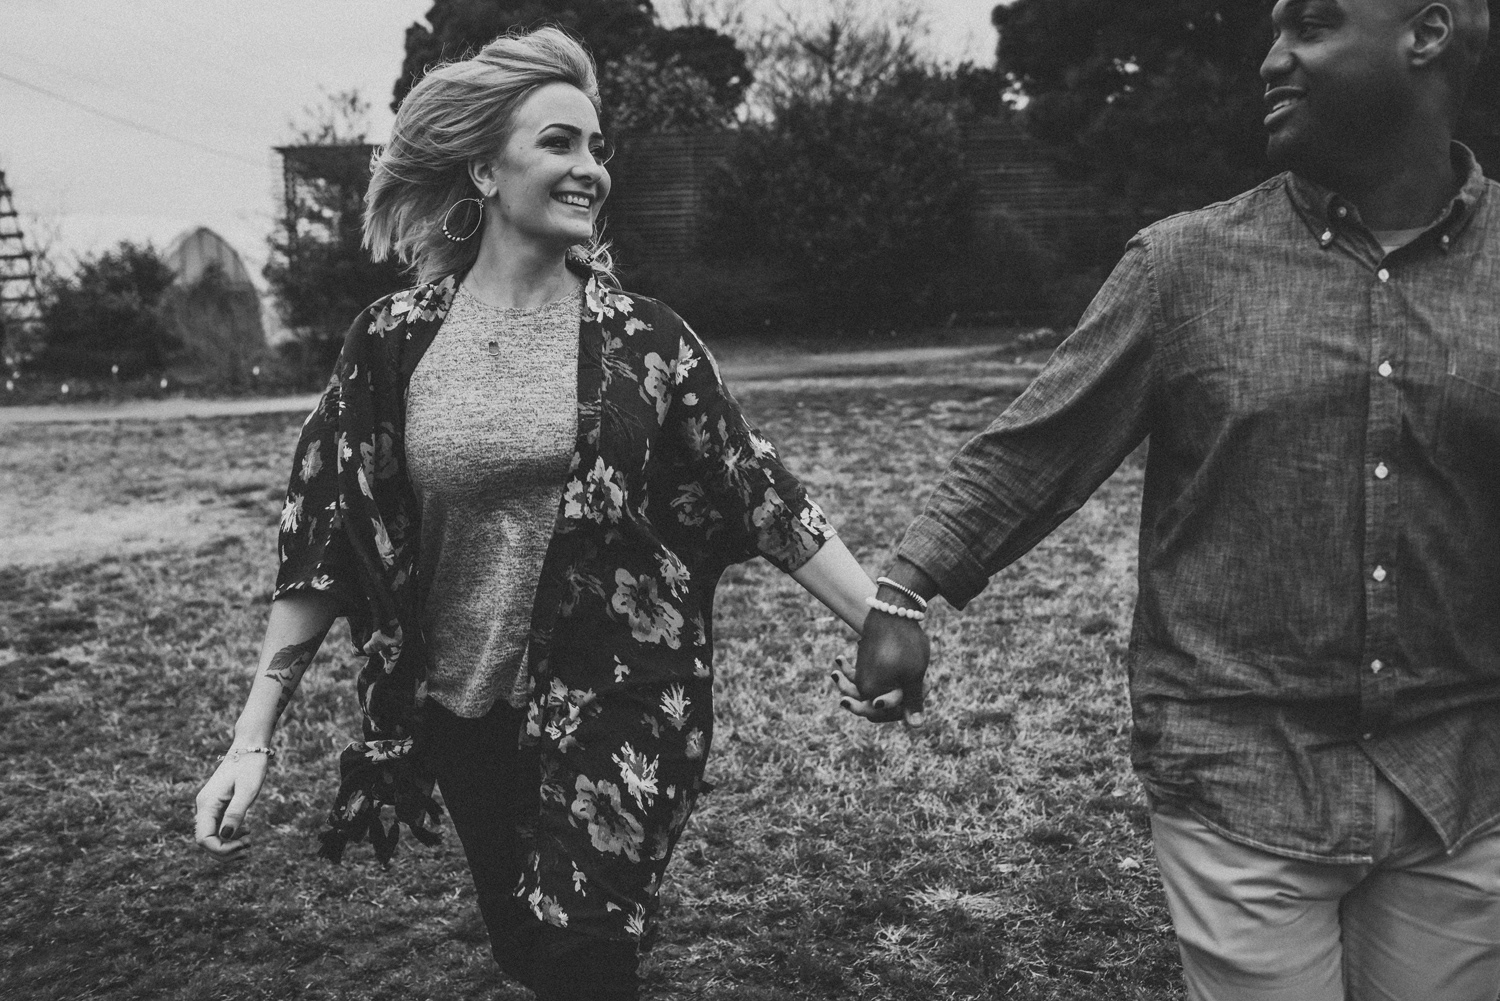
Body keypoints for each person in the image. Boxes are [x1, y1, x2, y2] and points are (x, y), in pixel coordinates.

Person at [193, 26, 877, 1001]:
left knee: (587, 955)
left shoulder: (645, 342)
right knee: (528, 947)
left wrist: (882, 618)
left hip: (621, 699)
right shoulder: (391, 343)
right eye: (559, 142)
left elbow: (759, 490)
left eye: (597, 146)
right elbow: (323, 541)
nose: (589, 167)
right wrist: (252, 737)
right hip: (465, 709)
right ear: (483, 169)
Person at [838, 1, 1500, 998]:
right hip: (1240, 782)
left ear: (1428, 33)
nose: (1272, 59)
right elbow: (1038, 448)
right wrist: (901, 593)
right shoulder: (1185, 265)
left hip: (1461, 786)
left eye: (1313, 25)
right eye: (1274, 29)